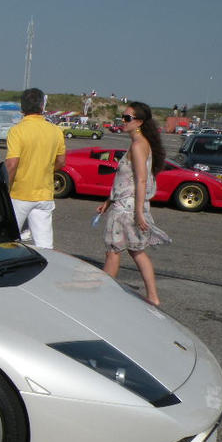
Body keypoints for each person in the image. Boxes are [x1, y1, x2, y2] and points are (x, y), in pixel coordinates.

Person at [95, 102, 171, 306]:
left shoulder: (138, 145)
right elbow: (125, 180)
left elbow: (141, 180)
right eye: (123, 117)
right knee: (136, 251)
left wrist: (138, 212)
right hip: (126, 204)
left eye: (127, 118)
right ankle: (153, 296)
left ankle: (101, 295)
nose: (123, 120)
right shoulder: (140, 142)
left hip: (127, 208)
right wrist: (108, 201)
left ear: (139, 122)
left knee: (113, 251)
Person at [5, 87, 66, 249]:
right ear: (42, 106)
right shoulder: (55, 131)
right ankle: (48, 271)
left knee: (8, 239)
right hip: (44, 194)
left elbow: (12, 164)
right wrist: (45, 170)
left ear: (22, 108)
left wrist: (3, 190)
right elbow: (61, 161)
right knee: (44, 244)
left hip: (20, 193)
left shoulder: (17, 131)